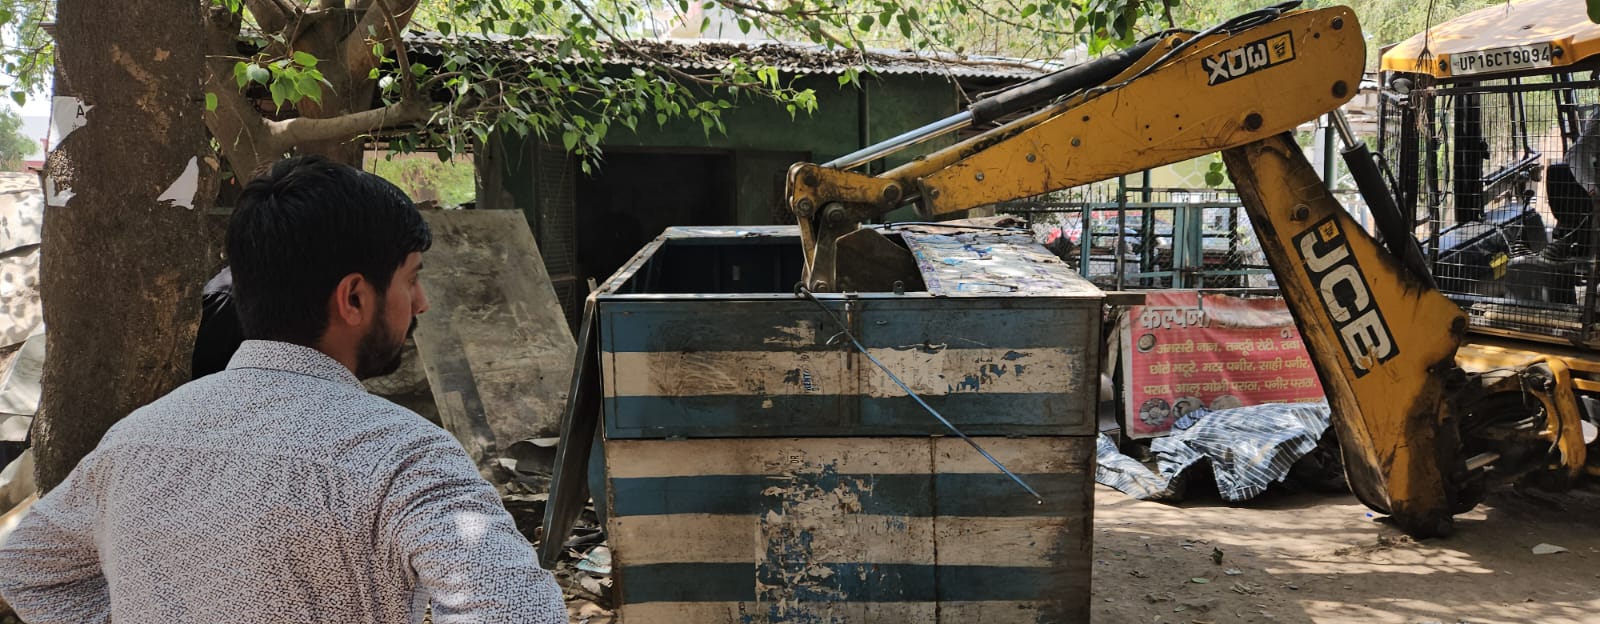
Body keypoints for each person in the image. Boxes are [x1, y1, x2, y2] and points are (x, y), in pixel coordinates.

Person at [0, 156, 566, 623]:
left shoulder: (131, 443)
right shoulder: (403, 458)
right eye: (412, 279)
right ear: (353, 298)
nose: (422, 302)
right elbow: (517, 611)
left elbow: (26, 569)